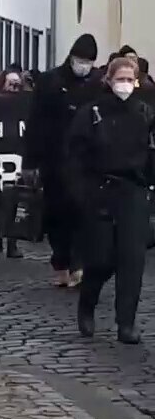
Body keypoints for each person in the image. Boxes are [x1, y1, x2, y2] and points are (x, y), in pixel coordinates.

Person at [68, 57, 155, 345]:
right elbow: (75, 155)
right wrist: (81, 191)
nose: (125, 85)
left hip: (133, 190)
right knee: (102, 257)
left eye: (131, 79)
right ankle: (87, 301)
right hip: (101, 189)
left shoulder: (144, 113)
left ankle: (126, 323)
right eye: (121, 78)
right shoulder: (91, 113)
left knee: (132, 259)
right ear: (109, 79)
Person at [23, 34, 100, 287]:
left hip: (86, 161)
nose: (84, 65)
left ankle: (79, 262)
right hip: (54, 159)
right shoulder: (50, 81)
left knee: (83, 212)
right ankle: (61, 262)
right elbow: (35, 122)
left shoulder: (97, 83)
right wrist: (30, 161)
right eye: (81, 60)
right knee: (57, 214)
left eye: (89, 61)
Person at [0, 69, 25, 260]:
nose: (13, 87)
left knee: (13, 201)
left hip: (17, 156)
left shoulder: (23, 104)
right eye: (10, 83)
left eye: (17, 84)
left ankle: (11, 242)